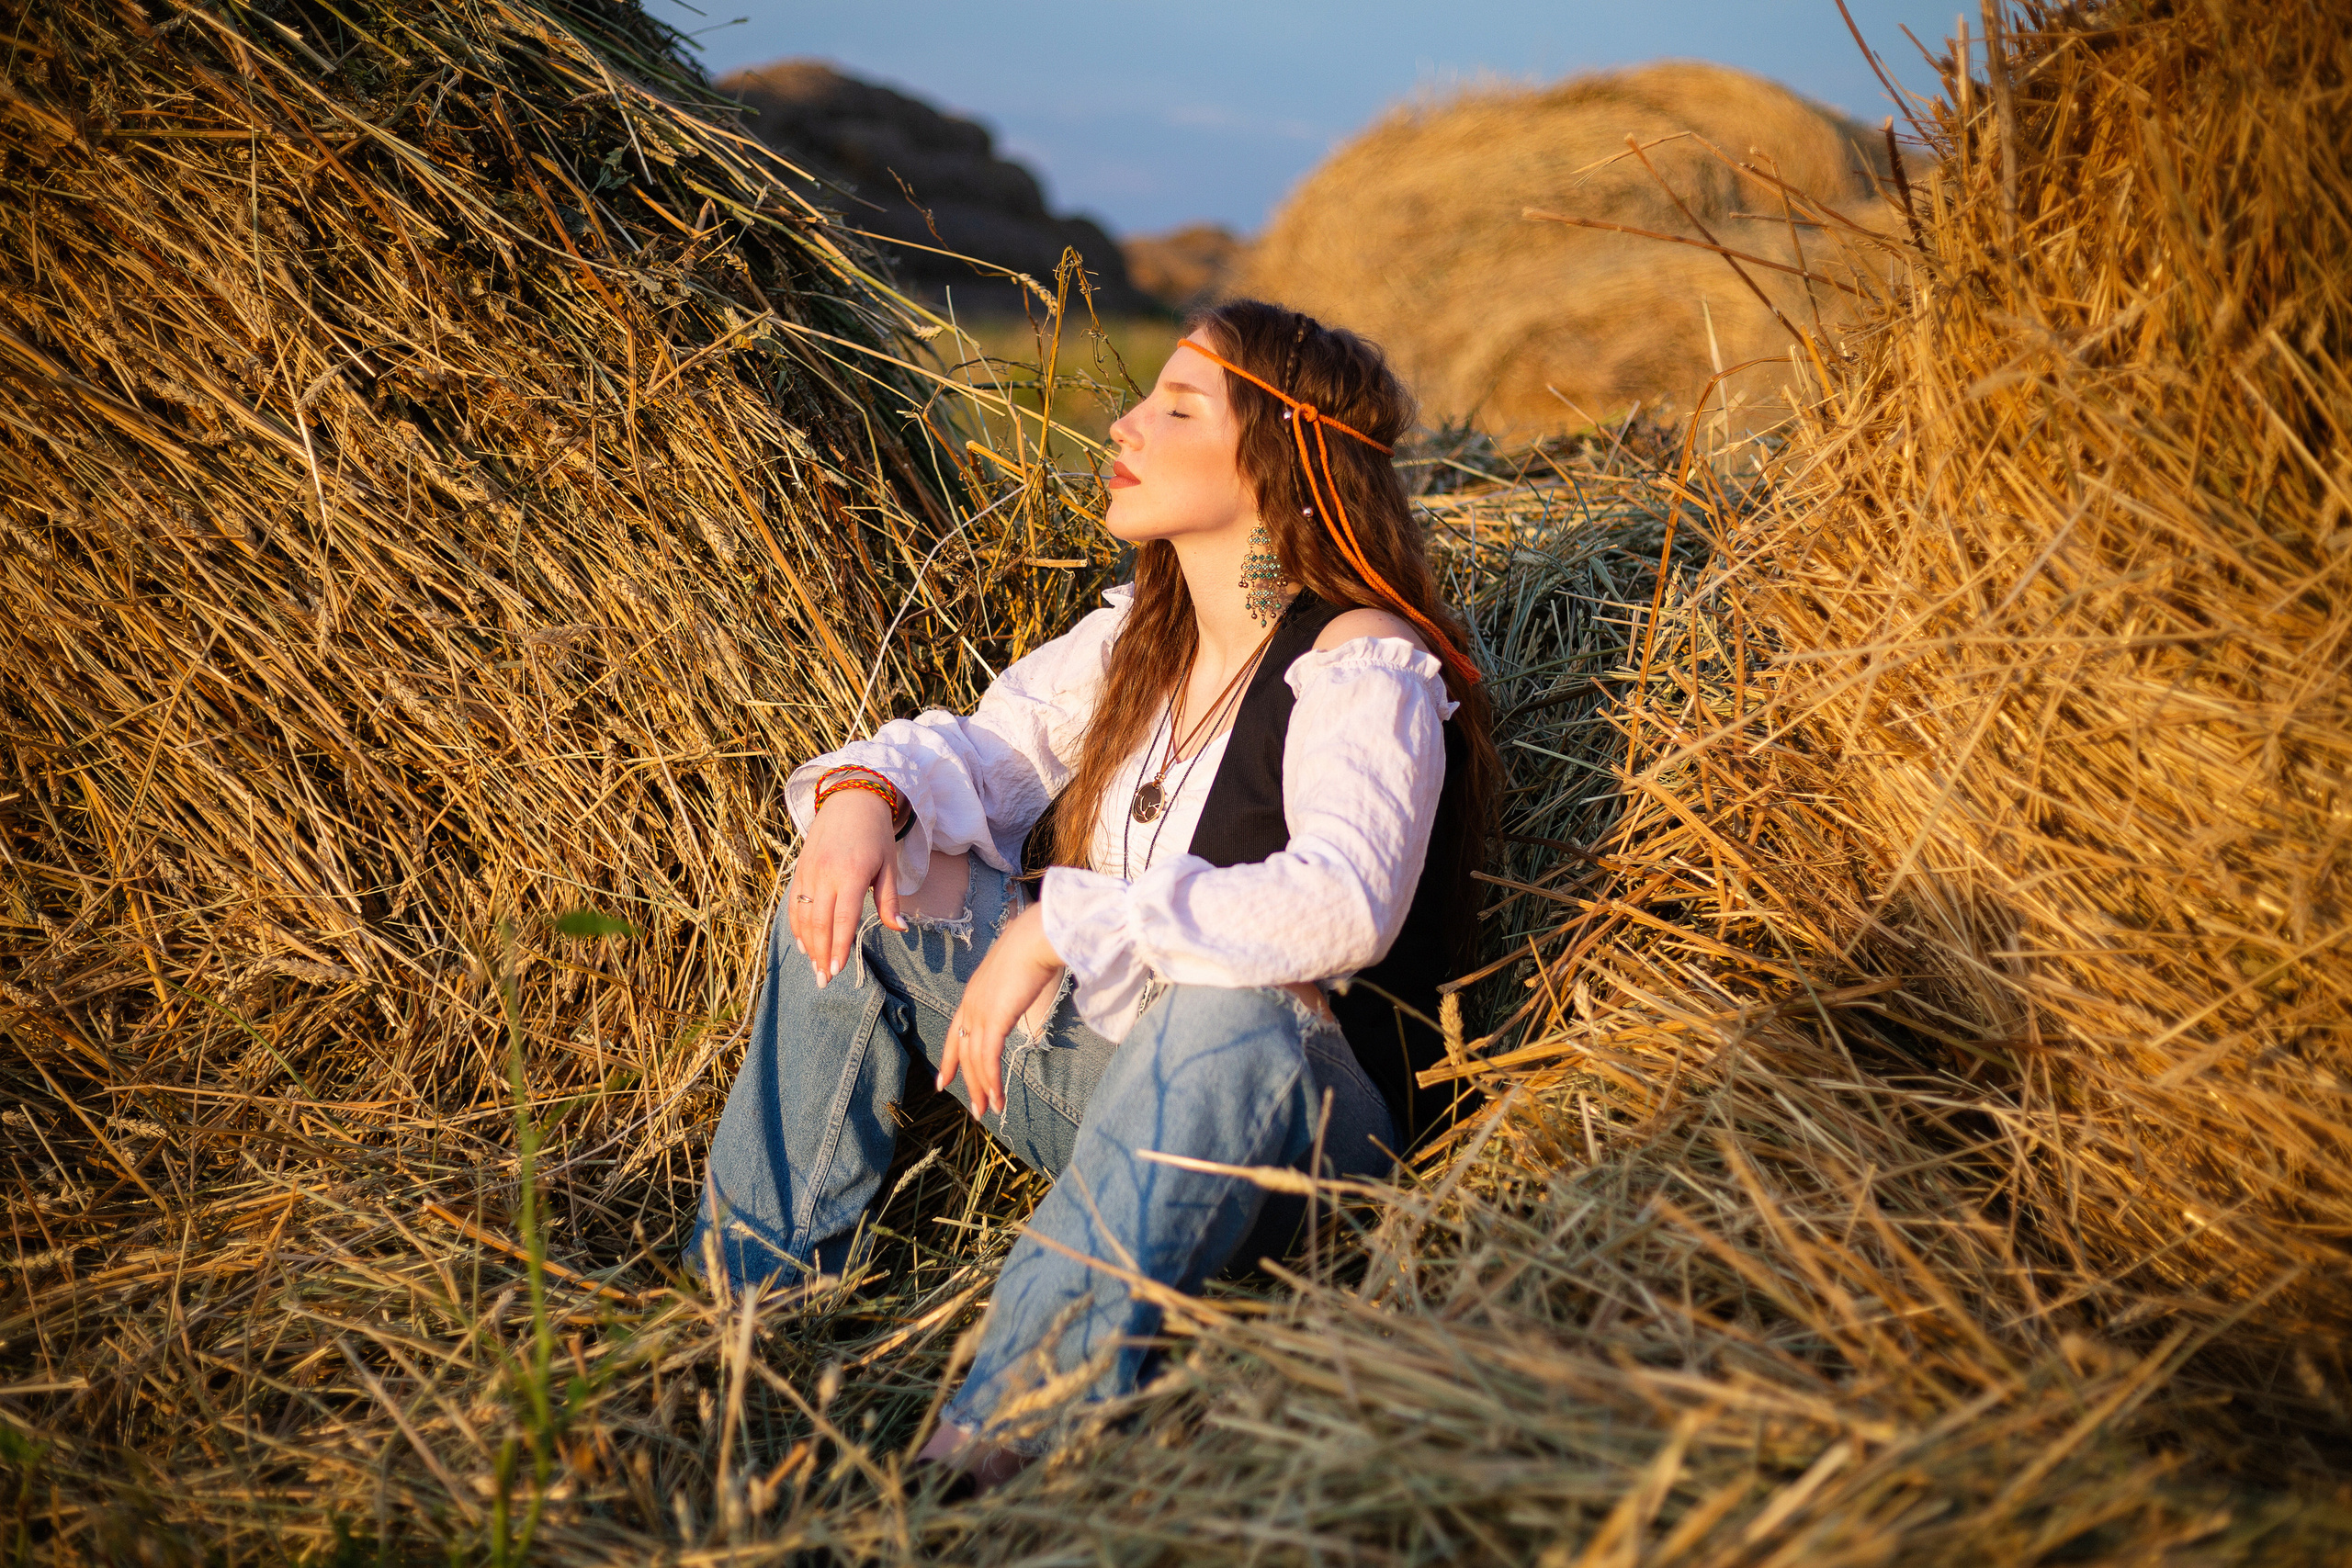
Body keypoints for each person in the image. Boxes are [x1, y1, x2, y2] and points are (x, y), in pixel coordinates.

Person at [691, 299, 1498, 1489]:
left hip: (1305, 1156)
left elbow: (1345, 907)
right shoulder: (1140, 642)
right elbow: (980, 753)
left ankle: (997, 1443)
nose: (1124, 421)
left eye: (1178, 406)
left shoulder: (1360, 661)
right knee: (872, 883)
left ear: (1283, 456)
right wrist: (866, 799)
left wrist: (1070, 922)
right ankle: (736, 1326)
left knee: (1237, 1003)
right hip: (1121, 1094)